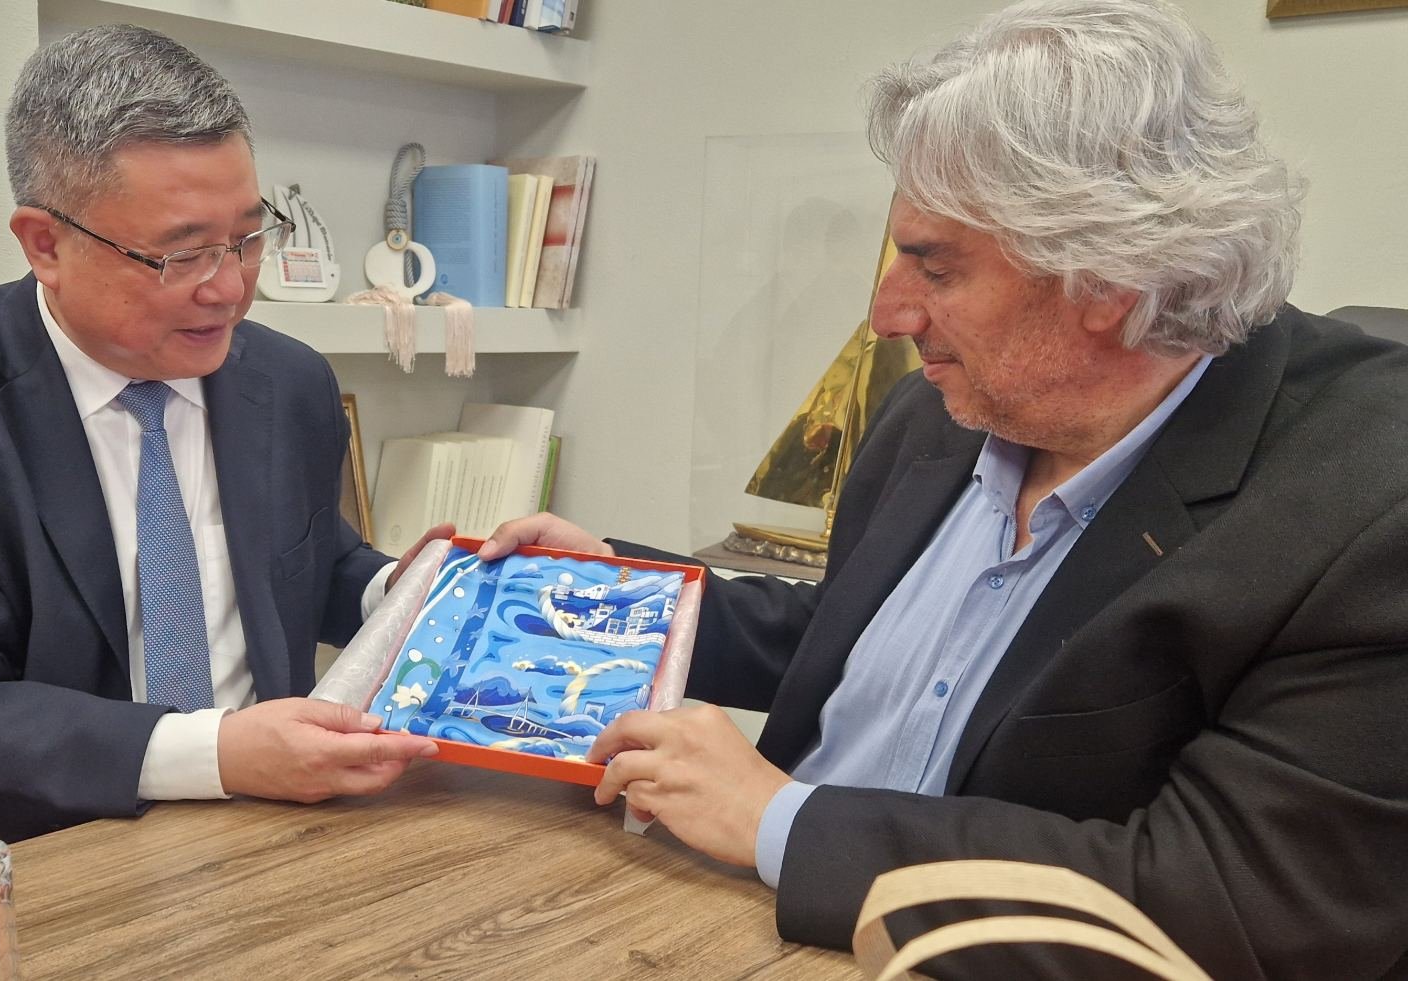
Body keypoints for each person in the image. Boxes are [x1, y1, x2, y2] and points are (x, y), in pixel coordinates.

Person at [479, 1, 1408, 977]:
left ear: (1109, 281)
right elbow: (848, 644)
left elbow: (1231, 906)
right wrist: (626, 599)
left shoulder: (1371, 510)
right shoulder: (950, 404)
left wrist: (779, 819)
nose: (887, 314)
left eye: (933, 267)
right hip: (735, 916)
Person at [0, 24, 447, 888]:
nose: (230, 287)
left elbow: (310, 565)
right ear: (44, 244)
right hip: (15, 857)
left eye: (248, 237)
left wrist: (424, 584)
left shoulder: (288, 381)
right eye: (181, 254)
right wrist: (219, 752)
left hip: (267, 835)